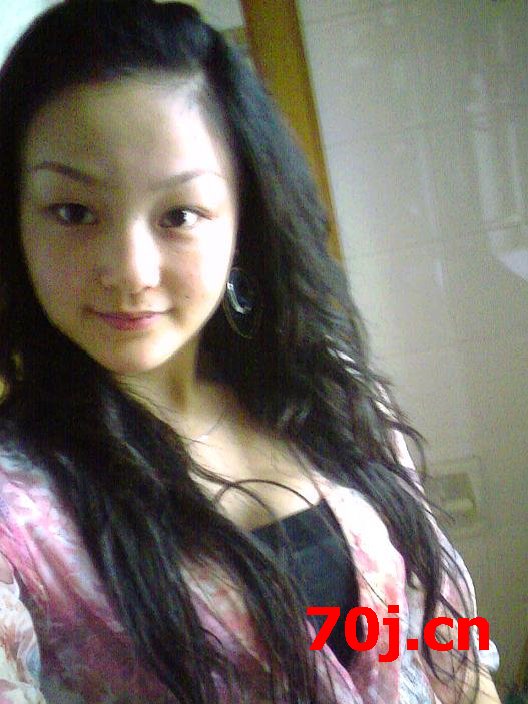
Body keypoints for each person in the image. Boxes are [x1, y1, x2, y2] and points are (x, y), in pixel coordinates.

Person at [0, 1, 500, 703]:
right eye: (74, 212)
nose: (130, 270)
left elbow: (449, 648)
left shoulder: (332, 393)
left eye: (180, 214)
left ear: (242, 222)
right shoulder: (18, 506)